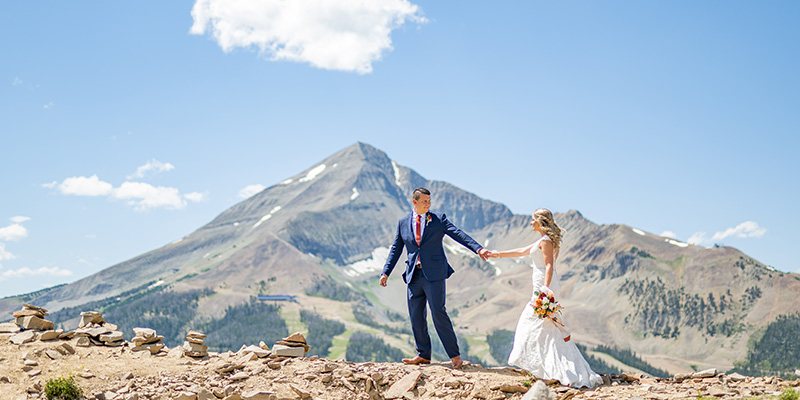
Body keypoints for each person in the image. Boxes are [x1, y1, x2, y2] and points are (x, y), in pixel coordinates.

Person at [489, 208, 602, 388]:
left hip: (544, 285)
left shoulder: (547, 241)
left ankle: (555, 368)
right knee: (542, 325)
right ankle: (544, 367)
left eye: (533, 219)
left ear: (541, 221)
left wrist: (545, 289)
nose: (530, 222)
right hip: (540, 285)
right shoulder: (541, 240)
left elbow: (549, 265)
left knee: (538, 323)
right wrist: (497, 254)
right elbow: (521, 251)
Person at [380, 187, 491, 369]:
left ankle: (455, 357)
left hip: (434, 275)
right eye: (425, 202)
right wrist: (386, 272)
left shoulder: (438, 219)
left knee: (438, 313)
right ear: (414, 202)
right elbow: (396, 248)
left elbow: (458, 234)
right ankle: (423, 355)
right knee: (416, 315)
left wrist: (478, 249)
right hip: (413, 275)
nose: (428, 205)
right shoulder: (403, 222)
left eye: (429, 201)